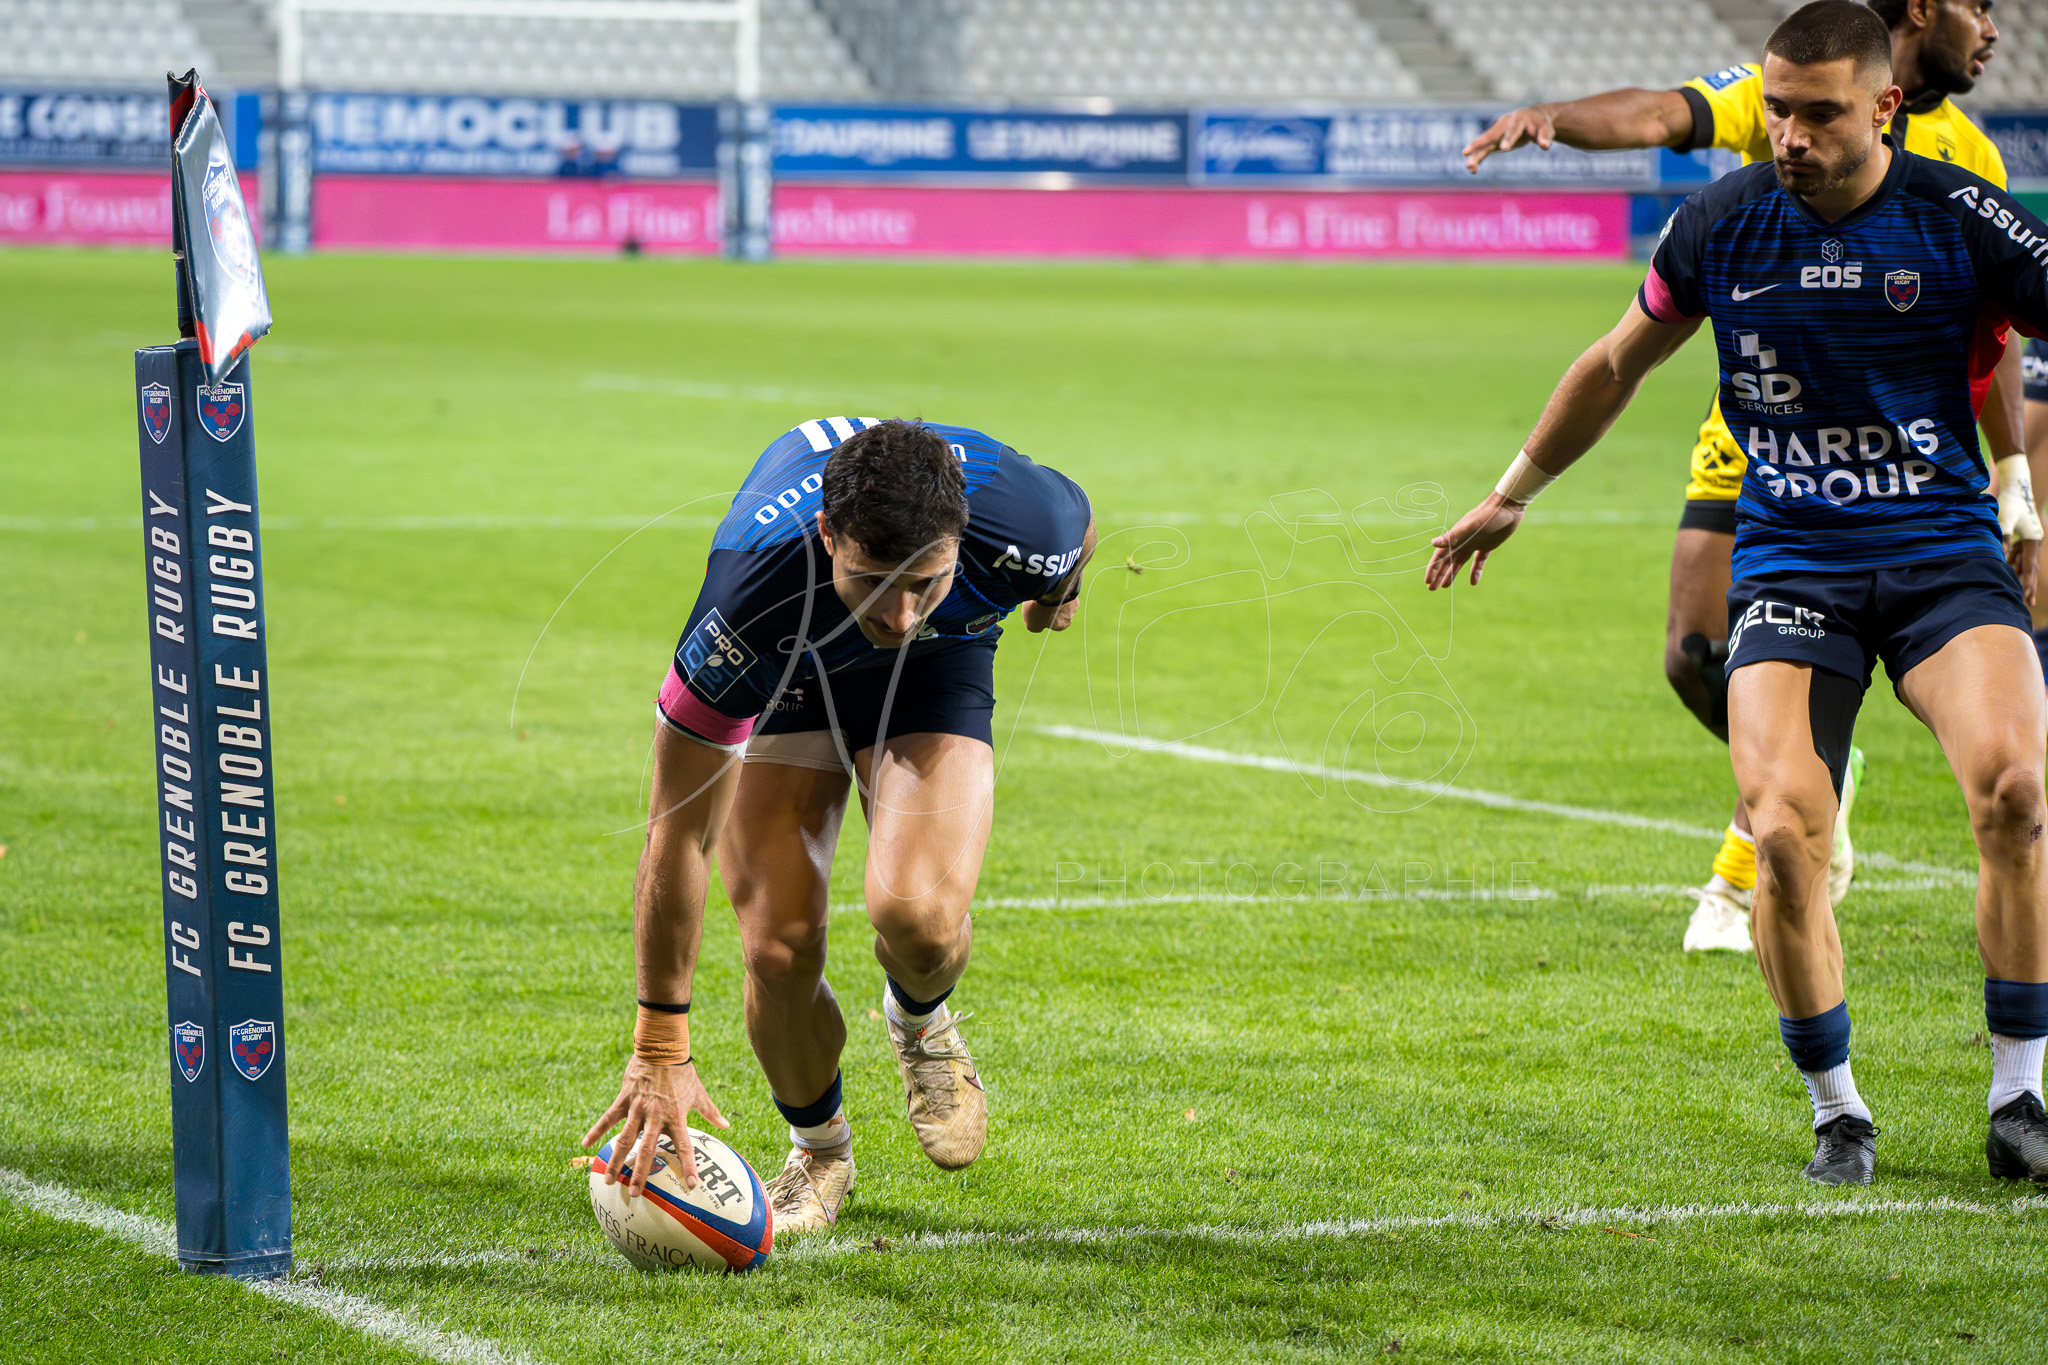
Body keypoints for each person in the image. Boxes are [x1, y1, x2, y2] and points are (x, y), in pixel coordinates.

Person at [1427, 1, 2048, 1185]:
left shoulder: (1959, 213)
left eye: (1817, 114)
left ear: (1882, 108)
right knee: (1780, 836)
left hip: (1938, 556)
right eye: (1775, 109)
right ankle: (1837, 1112)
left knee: (2015, 795)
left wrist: (2019, 491)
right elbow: (1615, 360)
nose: (1787, 135)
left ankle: (2018, 1096)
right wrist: (1512, 492)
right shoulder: (1719, 223)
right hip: (1795, 565)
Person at [583, 417, 1095, 1231]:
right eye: (874, 579)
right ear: (828, 535)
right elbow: (678, 831)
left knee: (920, 919)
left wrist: (1058, 596)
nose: (897, 612)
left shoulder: (1025, 525)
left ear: (961, 539)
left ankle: (920, 1019)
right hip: (794, 665)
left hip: (939, 664)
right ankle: (819, 1149)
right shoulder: (745, 601)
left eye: (923, 580)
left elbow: (1081, 528)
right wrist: (658, 1048)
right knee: (778, 946)